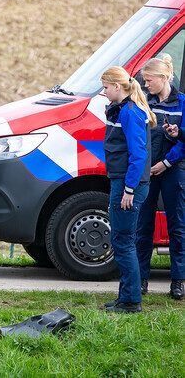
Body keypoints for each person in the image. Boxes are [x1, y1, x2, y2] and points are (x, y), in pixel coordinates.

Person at [101, 66, 155, 313]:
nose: (104, 91)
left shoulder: (130, 113)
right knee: (122, 240)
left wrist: (129, 189)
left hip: (127, 185)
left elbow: (138, 153)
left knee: (123, 242)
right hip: (123, 182)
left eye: (105, 87)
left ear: (117, 86)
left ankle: (131, 301)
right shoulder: (123, 109)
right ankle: (125, 297)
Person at [136, 55, 185, 300]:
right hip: (148, 171)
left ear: (164, 78)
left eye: (149, 80)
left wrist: (166, 163)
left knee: (178, 227)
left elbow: (184, 142)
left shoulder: (182, 103)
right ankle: (141, 279)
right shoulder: (144, 102)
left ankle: (177, 281)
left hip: (173, 170)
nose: (146, 85)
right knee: (143, 226)